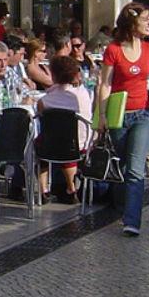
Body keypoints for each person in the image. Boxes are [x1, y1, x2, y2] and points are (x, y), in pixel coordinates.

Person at [96, 3, 149, 236]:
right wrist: (101, 115)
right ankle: (120, 205)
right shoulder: (114, 50)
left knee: (135, 169)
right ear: (132, 23)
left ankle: (132, 220)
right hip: (119, 116)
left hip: (143, 114)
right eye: (147, 19)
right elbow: (105, 83)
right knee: (124, 163)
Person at [36, 56, 92, 204]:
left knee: (36, 144)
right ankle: (71, 187)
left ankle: (43, 189)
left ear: (53, 75)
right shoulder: (84, 94)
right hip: (82, 143)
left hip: (54, 146)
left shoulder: (46, 100)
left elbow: (40, 112)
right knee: (65, 142)